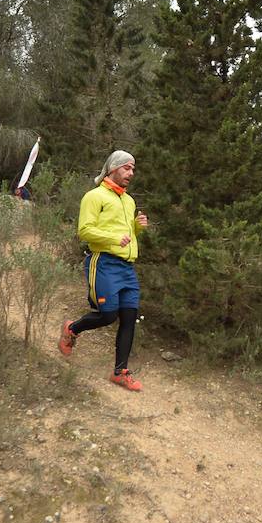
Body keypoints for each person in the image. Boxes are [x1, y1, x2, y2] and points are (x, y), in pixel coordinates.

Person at [57, 150, 148, 391]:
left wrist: (137, 229)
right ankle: (72, 329)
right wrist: (112, 238)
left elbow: (125, 236)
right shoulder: (94, 196)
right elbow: (84, 231)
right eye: (127, 168)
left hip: (127, 267)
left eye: (133, 169)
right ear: (113, 168)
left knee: (129, 318)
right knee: (108, 315)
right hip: (104, 263)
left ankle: (121, 372)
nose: (131, 173)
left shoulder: (128, 201)